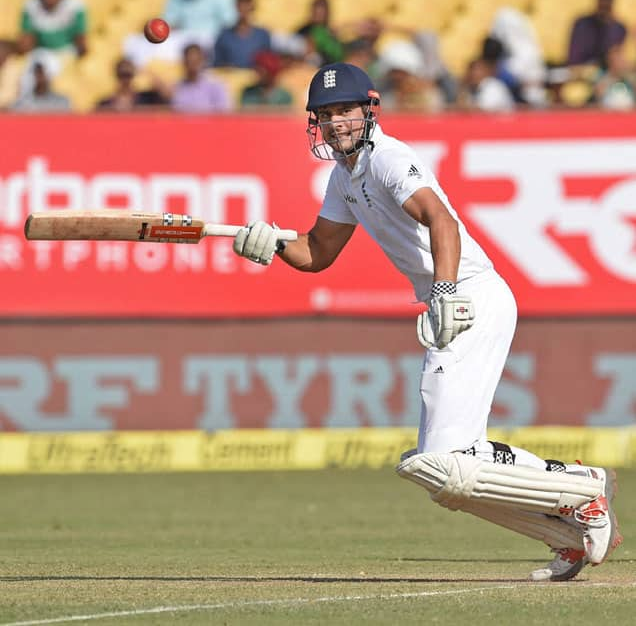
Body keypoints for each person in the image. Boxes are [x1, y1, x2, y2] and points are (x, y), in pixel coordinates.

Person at [231, 62, 622, 582]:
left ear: (367, 112)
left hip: (469, 298)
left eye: (344, 112)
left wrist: (443, 293)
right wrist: (271, 244)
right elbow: (317, 253)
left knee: (442, 461)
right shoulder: (343, 179)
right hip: (455, 302)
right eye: (324, 115)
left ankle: (582, 488)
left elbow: (441, 219)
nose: (334, 124)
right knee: (448, 471)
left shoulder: (390, 159)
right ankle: (567, 529)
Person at [568, 0, 627, 68]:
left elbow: (617, 58)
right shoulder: (582, 24)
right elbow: (574, 61)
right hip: (581, 72)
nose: (605, 3)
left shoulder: (619, 29)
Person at [212, 0, 270, 69]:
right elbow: (218, 64)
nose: (243, 7)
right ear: (236, 6)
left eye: (247, 3)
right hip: (232, 78)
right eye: (241, 3)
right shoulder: (224, 35)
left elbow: (267, 64)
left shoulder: (262, 36)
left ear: (252, 5)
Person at [172, 43, 231, 113]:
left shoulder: (216, 85)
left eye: (196, 61)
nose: (193, 66)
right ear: (184, 62)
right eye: (189, 61)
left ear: (203, 61)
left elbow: (225, 114)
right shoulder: (178, 87)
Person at [95, 58, 169, 112]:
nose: (125, 80)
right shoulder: (105, 103)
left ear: (133, 75)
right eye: (122, 75)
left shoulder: (145, 98)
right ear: (116, 76)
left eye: (128, 75)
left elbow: (166, 95)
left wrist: (146, 72)